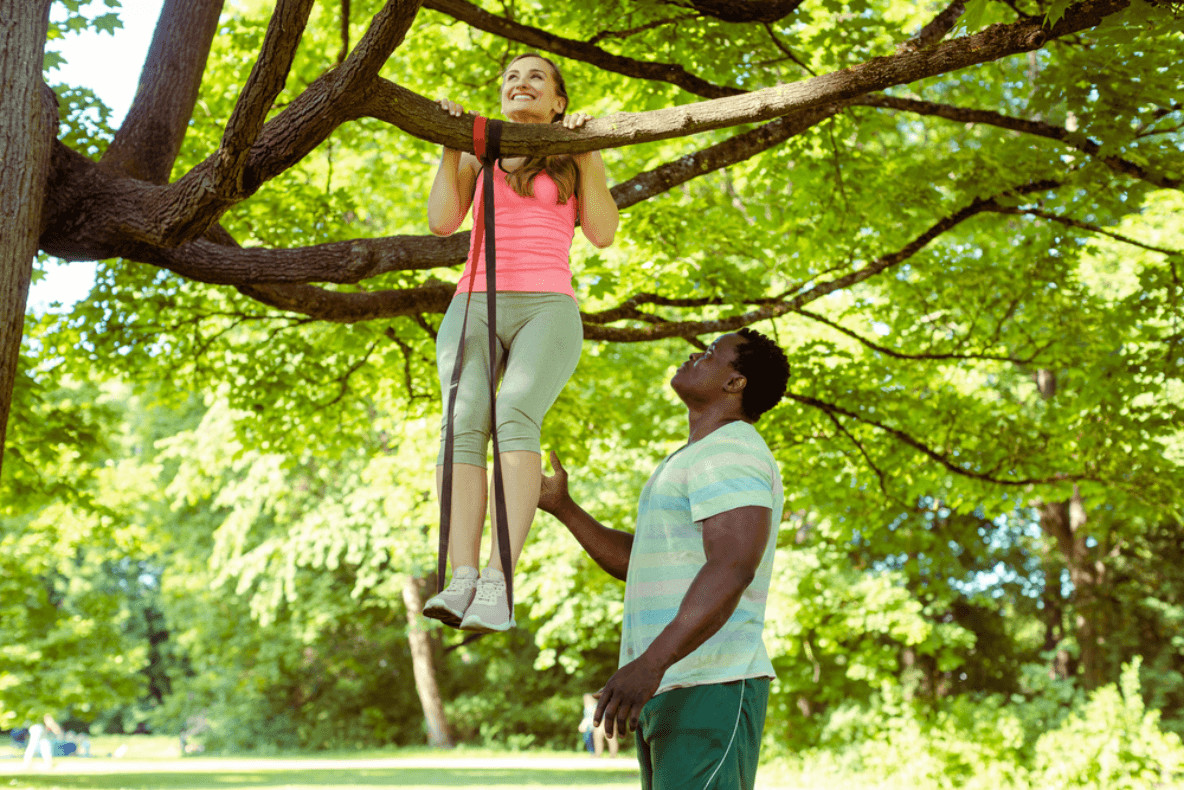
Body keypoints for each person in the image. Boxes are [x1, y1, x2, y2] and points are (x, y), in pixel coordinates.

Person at [539, 329, 789, 789]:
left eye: (712, 352)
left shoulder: (732, 450)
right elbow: (641, 562)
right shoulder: (693, 457)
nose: (696, 353)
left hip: (709, 680)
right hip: (669, 682)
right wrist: (564, 508)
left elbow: (732, 567)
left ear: (735, 383)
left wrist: (651, 663)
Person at [423, 53, 619, 633]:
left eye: (536, 77)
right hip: (474, 300)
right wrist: (450, 144)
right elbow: (441, 221)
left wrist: (589, 155)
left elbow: (604, 234)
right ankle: (461, 579)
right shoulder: (481, 153)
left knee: (513, 411)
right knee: (462, 419)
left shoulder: (572, 156)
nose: (520, 84)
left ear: (558, 101)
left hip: (547, 306)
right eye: (511, 77)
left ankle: (497, 582)